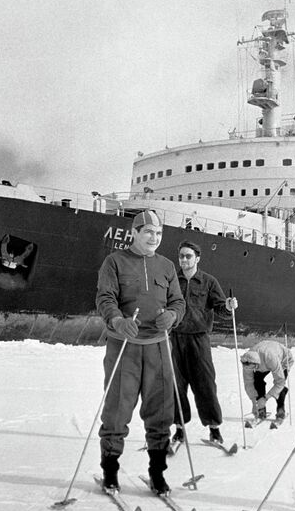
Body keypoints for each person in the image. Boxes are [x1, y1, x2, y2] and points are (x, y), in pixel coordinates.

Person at [95, 209, 186, 494]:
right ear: (134, 233)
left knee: (161, 411)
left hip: (158, 346)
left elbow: (178, 302)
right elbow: (105, 297)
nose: (154, 238)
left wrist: (172, 316)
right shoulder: (114, 262)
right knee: (117, 410)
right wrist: (117, 321)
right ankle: (110, 471)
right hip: (124, 347)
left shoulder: (167, 266)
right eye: (148, 232)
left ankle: (157, 473)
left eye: (158, 233)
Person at [169, 240, 237, 446]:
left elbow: (221, 308)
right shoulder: (172, 280)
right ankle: (179, 429)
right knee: (175, 385)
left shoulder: (208, 282)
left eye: (188, 256)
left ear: (197, 258)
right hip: (175, 338)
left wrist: (229, 306)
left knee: (205, 384)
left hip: (199, 339)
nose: (184, 259)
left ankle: (214, 429)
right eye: (181, 256)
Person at [240, 339, 294, 421]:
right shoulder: (247, 360)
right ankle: (261, 409)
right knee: (257, 382)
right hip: (263, 360)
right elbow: (248, 383)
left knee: (279, 387)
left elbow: (280, 382)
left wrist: (265, 398)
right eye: (249, 368)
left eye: (252, 367)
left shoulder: (270, 358)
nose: (250, 370)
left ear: (256, 363)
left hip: (282, 359)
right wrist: (254, 403)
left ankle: (280, 410)